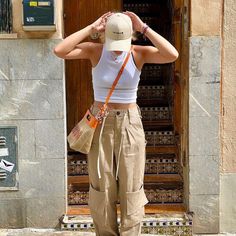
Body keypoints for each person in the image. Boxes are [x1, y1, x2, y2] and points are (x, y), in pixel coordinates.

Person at [54, 11, 179, 236]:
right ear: (105, 36)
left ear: (130, 36)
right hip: (101, 123)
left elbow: (172, 54)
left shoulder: (138, 53)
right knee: (102, 186)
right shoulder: (95, 51)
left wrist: (144, 28)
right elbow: (59, 50)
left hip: (130, 123)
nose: (118, 47)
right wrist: (92, 27)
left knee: (132, 186)